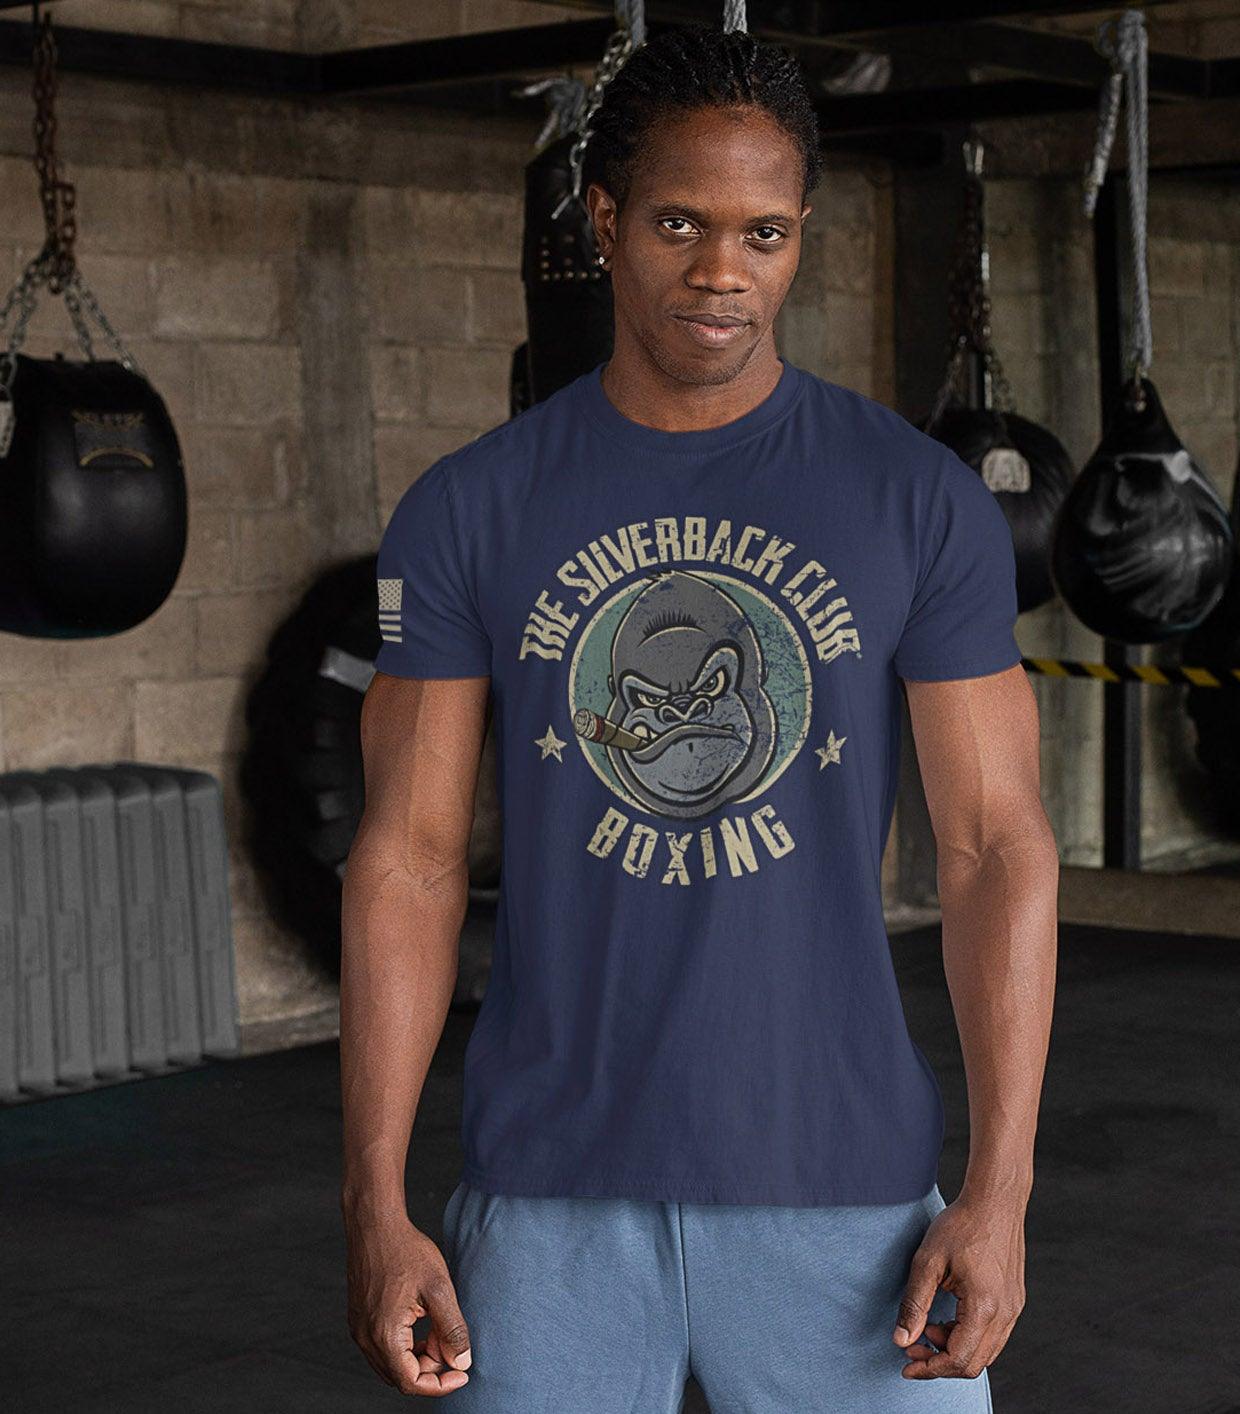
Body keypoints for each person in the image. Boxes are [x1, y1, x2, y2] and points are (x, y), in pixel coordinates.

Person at [341, 21, 1057, 1413]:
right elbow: (408, 857)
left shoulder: (916, 498)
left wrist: (1000, 1187)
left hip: (848, 1200)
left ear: (801, 234)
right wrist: (375, 1198)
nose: (723, 271)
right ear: (603, 219)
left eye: (765, 231)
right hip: (548, 1200)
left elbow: (994, 849)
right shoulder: (469, 509)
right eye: (679, 221)